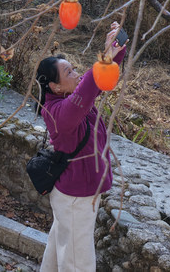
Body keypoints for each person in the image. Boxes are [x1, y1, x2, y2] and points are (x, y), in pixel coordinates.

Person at [35, 21, 128, 272]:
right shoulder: (58, 112)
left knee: (60, 249)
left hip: (78, 193)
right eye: (69, 73)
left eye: (74, 69)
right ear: (54, 86)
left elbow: (97, 81)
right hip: (75, 198)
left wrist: (116, 50)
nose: (76, 74)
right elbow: (88, 87)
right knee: (78, 263)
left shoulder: (71, 100)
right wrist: (105, 55)